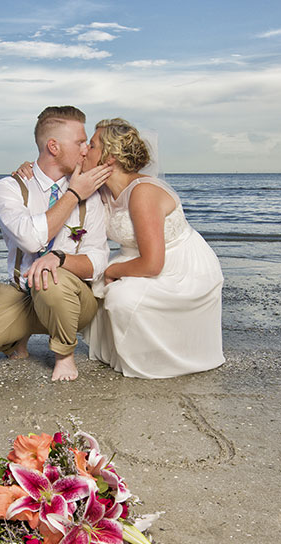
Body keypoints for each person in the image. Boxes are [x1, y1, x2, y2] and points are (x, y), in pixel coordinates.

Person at [0, 106, 112, 381]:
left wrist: (61, 258)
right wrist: (73, 194)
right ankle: (15, 335)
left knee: (50, 278)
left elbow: (98, 260)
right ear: (53, 146)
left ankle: (64, 355)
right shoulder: (9, 188)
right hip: (22, 294)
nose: (84, 149)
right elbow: (31, 239)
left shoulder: (92, 194)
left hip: (73, 300)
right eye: (80, 142)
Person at [83, 118, 225, 378]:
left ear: (109, 157)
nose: (84, 150)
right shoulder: (103, 189)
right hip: (141, 257)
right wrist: (27, 170)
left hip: (180, 265)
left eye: (91, 146)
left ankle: (156, 359)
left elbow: (152, 264)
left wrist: (114, 272)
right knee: (94, 283)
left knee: (120, 297)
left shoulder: (142, 192)